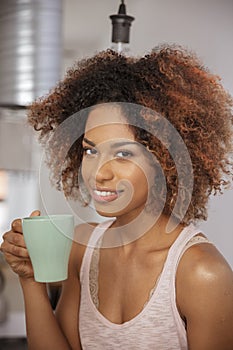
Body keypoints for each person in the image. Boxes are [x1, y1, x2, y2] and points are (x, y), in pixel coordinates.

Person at [1, 45, 233, 350]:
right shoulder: (83, 249)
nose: (99, 173)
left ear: (165, 160)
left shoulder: (202, 273)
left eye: (123, 153)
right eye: (90, 150)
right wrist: (30, 281)